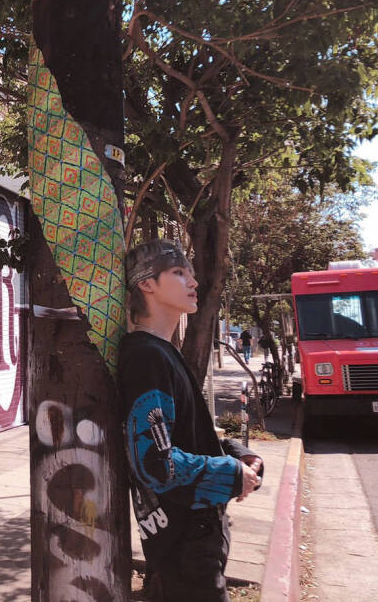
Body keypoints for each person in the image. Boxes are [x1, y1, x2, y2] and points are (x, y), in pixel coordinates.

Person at [119, 239, 264, 602]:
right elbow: (156, 462)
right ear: (147, 284)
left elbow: (180, 434)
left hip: (193, 538)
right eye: (179, 272)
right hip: (184, 544)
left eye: (191, 274)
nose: (193, 282)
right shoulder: (146, 357)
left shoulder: (162, 351)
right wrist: (231, 475)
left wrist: (236, 453)